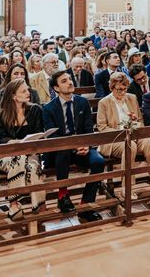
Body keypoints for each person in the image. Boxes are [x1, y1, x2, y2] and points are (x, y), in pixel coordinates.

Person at [42, 70, 104, 222]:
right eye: (64, 81)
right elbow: (52, 136)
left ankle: (86, 203)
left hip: (82, 147)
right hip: (60, 151)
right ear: (56, 88)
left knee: (98, 162)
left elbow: (89, 128)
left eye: (70, 79)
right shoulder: (48, 108)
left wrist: (87, 146)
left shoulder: (82, 102)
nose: (70, 82)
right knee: (63, 152)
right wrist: (73, 147)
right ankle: (63, 196)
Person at [96, 72, 150, 198]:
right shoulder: (104, 102)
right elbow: (102, 127)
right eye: (119, 89)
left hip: (133, 134)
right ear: (111, 87)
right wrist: (122, 131)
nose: (123, 92)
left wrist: (134, 122)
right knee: (130, 146)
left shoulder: (132, 98)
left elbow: (140, 121)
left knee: (149, 142)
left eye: (125, 89)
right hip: (113, 140)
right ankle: (127, 186)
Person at [0, 79, 46, 218]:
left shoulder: (35, 109)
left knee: (31, 166)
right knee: (19, 160)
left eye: (28, 89)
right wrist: (19, 142)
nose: (29, 93)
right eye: (24, 91)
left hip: (31, 153)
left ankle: (14, 204)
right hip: (6, 156)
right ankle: (37, 204)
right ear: (13, 96)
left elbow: (39, 132)